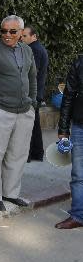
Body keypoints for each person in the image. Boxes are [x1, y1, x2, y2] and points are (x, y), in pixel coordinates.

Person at [0, 15, 36, 212]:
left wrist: (33, 103)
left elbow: (33, 77)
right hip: (0, 109)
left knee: (18, 154)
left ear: (21, 33)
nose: (7, 35)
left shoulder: (27, 50)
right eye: (4, 31)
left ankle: (11, 192)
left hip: (24, 110)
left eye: (12, 31)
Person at [56, 53, 83, 230]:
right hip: (79, 126)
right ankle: (78, 215)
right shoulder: (80, 62)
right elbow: (68, 96)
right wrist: (63, 130)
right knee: (78, 175)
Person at [21, 26, 48, 162]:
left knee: (29, 124)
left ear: (34, 36)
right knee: (34, 124)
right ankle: (37, 153)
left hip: (33, 92)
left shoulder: (34, 50)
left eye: (25, 36)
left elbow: (31, 73)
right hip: (36, 92)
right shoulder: (38, 48)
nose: (22, 38)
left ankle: (30, 154)